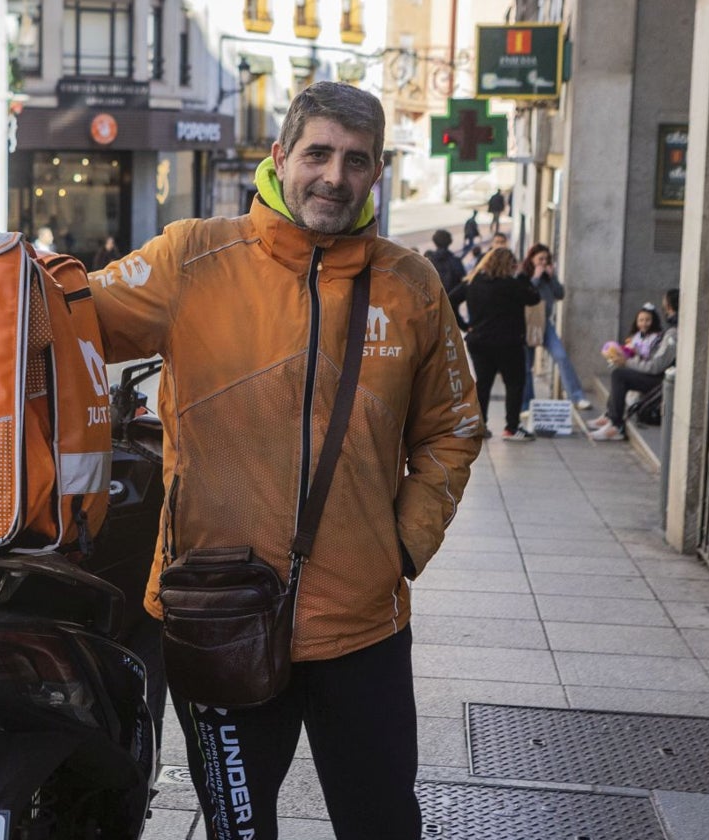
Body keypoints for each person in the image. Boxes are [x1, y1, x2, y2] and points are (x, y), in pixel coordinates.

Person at [88, 81, 482, 840]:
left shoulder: (411, 286)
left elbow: (453, 427)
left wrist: (402, 544)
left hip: (360, 625)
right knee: (237, 829)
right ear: (280, 156)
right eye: (319, 153)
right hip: (216, 614)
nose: (335, 175)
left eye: (356, 160)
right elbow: (72, 322)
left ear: (376, 173)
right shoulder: (193, 258)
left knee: (384, 825)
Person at [449, 246, 541, 442]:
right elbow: (534, 298)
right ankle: (511, 428)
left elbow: (450, 300)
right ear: (510, 265)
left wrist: (465, 326)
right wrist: (524, 277)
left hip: (480, 341)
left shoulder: (474, 282)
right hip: (509, 342)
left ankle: (480, 427)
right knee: (514, 383)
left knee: (483, 384)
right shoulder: (512, 285)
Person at [589, 289, 679, 441]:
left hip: (661, 382)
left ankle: (616, 425)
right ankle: (611, 417)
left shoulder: (673, 333)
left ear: (670, 308)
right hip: (658, 376)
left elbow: (655, 366)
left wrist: (628, 362)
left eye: (665, 306)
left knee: (620, 375)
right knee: (619, 372)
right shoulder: (670, 332)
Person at [519, 244, 594, 412]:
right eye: (540, 259)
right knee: (526, 366)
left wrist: (552, 278)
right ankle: (526, 404)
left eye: (546, 259)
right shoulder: (524, 275)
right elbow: (523, 294)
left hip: (545, 323)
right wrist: (536, 278)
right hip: (527, 324)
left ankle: (577, 396)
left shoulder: (549, 276)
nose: (544, 262)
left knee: (561, 356)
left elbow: (560, 294)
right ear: (532, 259)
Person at [424, 229, 467, 295]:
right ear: (449, 241)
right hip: (452, 300)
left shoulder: (429, 261)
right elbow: (463, 281)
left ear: (435, 242)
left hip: (435, 298)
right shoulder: (456, 261)